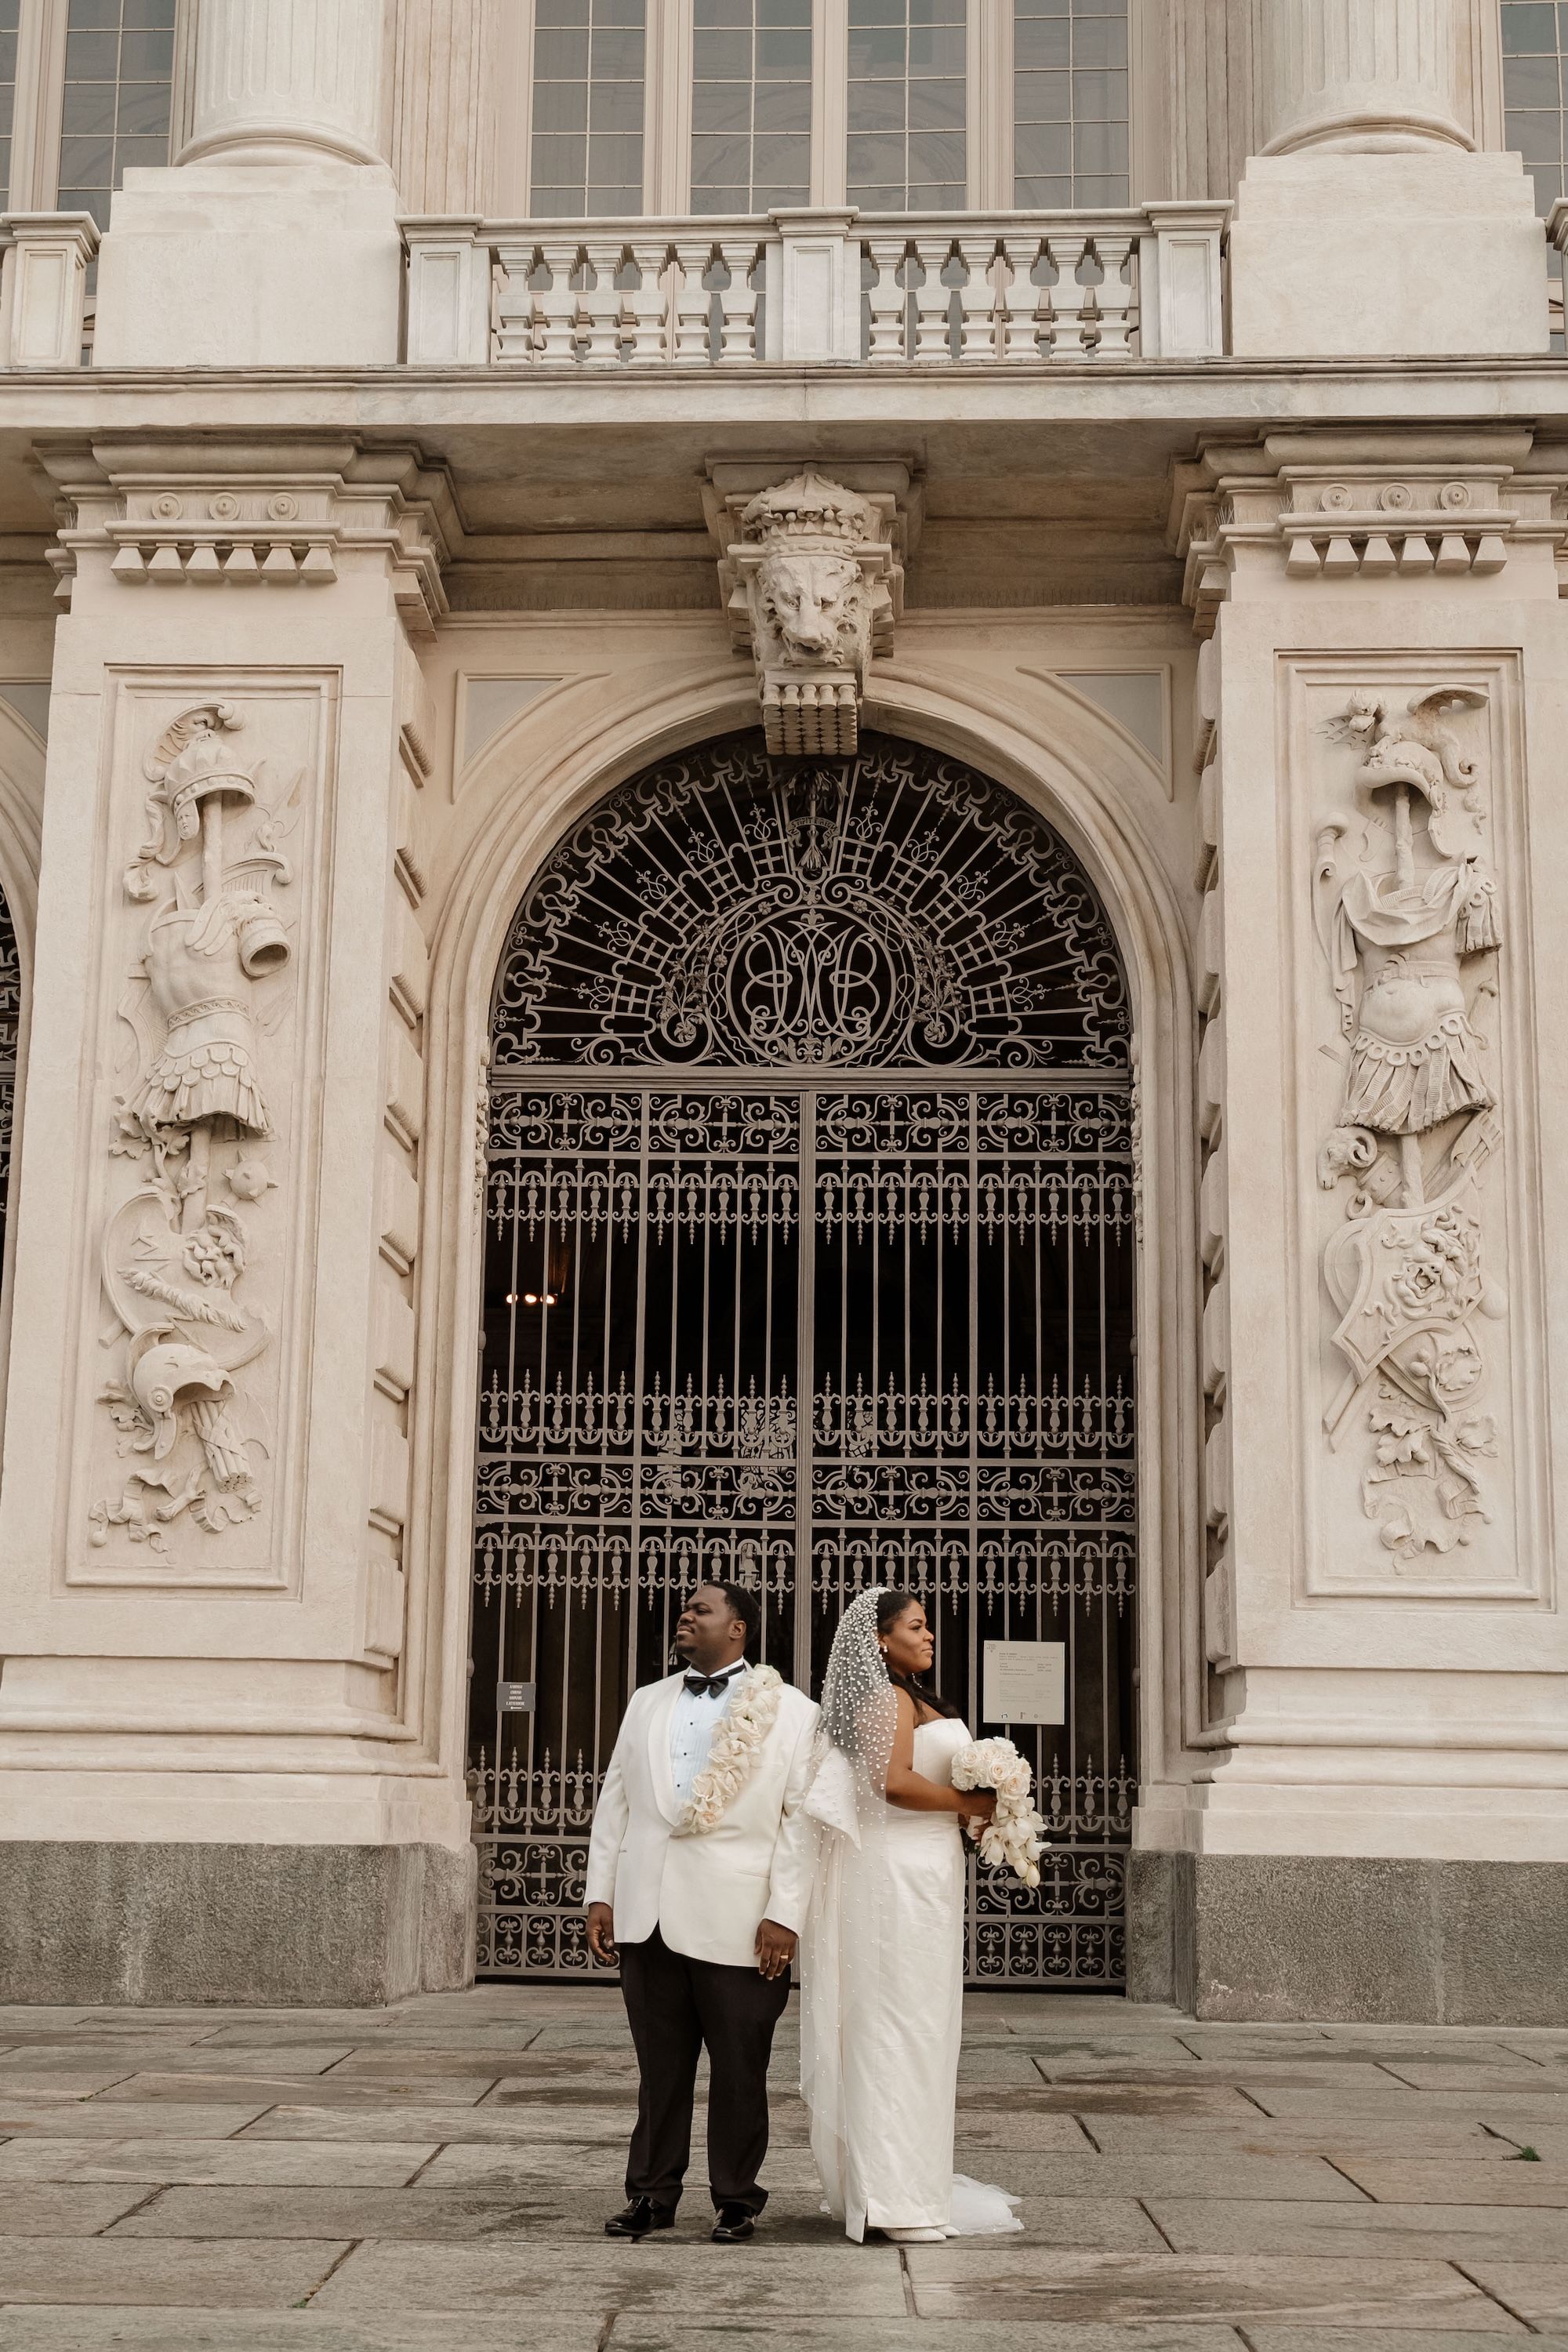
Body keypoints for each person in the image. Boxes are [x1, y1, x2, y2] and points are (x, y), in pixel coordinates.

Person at [584, 1580, 819, 2244]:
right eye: (686, 1608)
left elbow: (801, 1823)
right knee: (659, 2069)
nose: (685, 1614)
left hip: (742, 1919)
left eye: (701, 1608)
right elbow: (617, 1802)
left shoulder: (795, 1713)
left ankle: (737, 2198)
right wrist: (601, 1894)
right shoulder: (646, 1700)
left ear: (738, 1628)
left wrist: (786, 1913)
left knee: (741, 2066)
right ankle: (651, 2195)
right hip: (646, 1911)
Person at [799, 1585, 1025, 2243]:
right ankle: (892, 2197)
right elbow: (890, 1783)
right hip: (895, 1878)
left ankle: (909, 2183)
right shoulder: (887, 1698)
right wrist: (969, 1803)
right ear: (878, 1639)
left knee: (924, 2028)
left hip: (927, 1874)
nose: (929, 1637)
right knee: (898, 2027)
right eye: (917, 1626)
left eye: (928, 1628)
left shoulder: (916, 1697)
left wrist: (980, 1809)